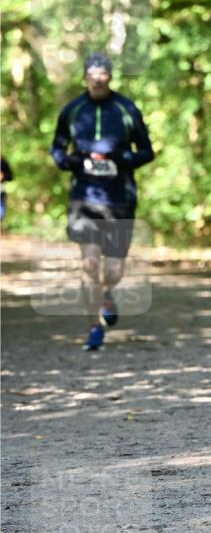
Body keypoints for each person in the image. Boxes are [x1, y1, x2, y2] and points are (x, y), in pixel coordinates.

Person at [50, 52, 154, 350]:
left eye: (102, 75)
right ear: (85, 77)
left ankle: (106, 293)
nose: (97, 80)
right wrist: (71, 162)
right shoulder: (73, 110)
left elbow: (146, 151)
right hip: (84, 197)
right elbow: (57, 149)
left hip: (120, 198)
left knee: (113, 271)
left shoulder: (126, 109)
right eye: (92, 75)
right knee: (89, 265)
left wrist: (122, 159)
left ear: (109, 77)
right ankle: (94, 327)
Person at [1, 155, 13, 223]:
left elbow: (10, 177)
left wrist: (3, 176)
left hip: (1, 190)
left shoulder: (3, 162)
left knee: (1, 212)